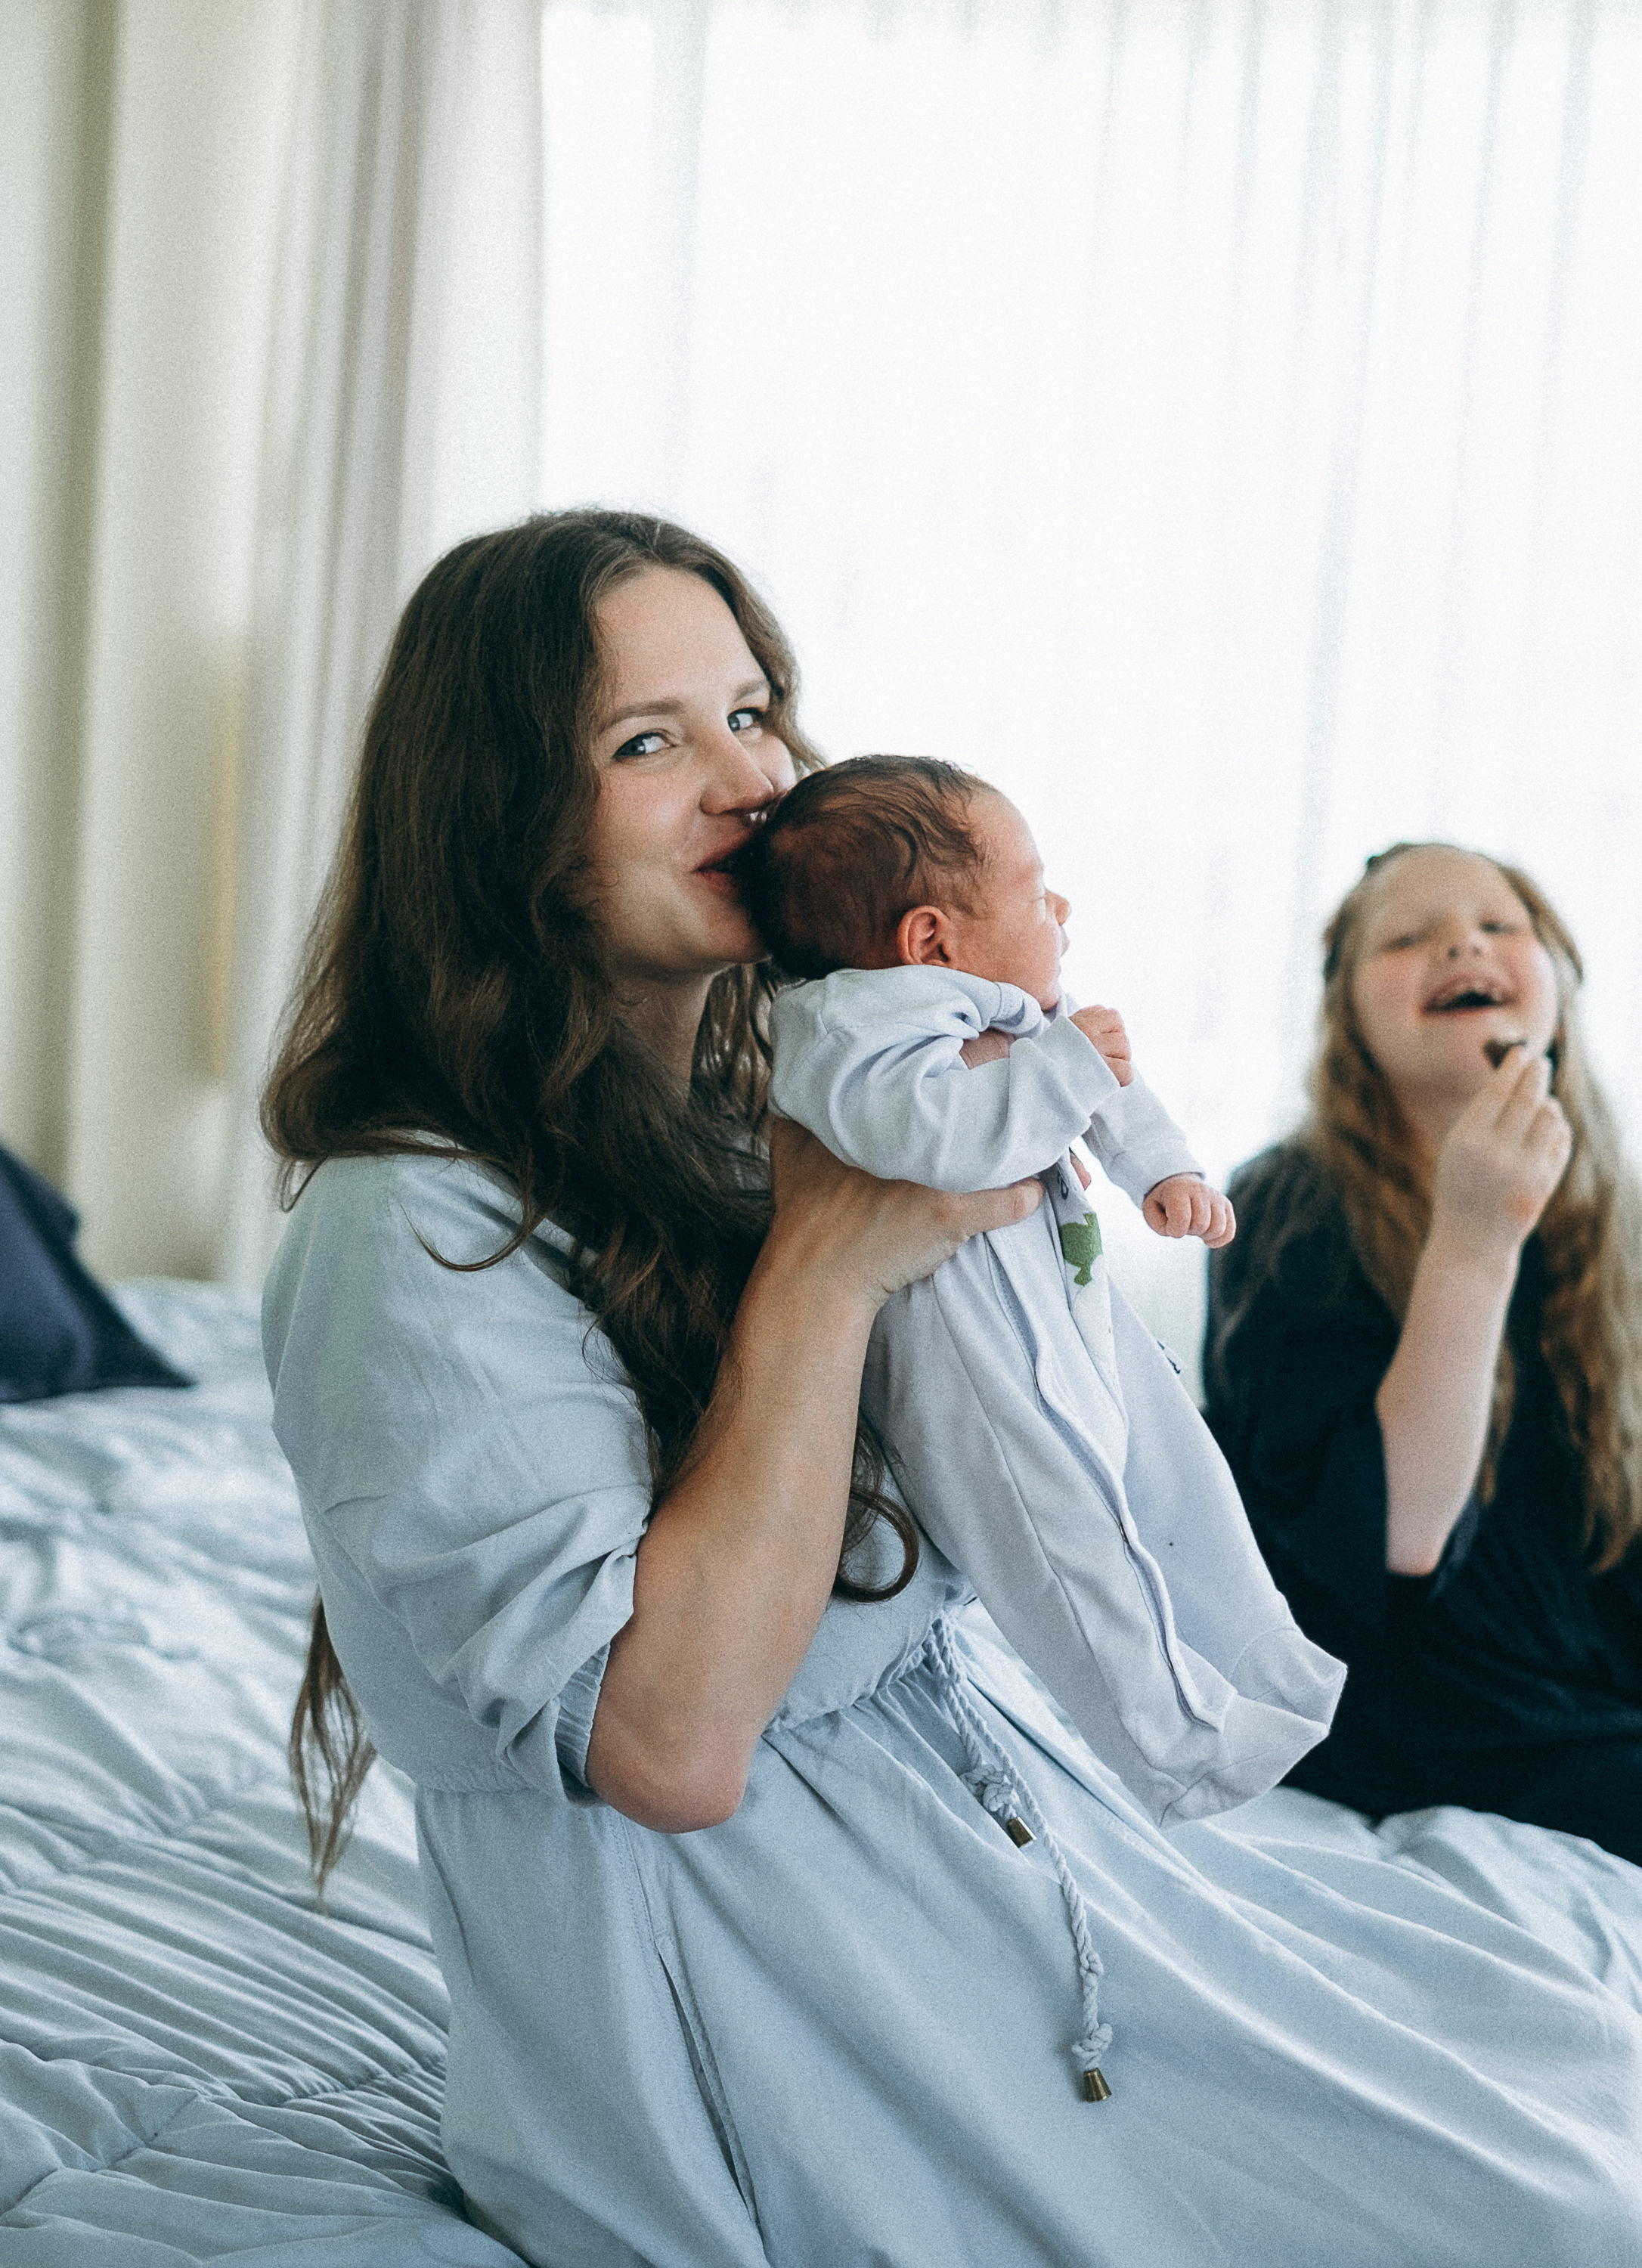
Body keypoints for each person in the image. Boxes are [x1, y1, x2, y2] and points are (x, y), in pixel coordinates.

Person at [262, 518, 1642, 2268]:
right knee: (1566, 2216)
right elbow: (672, 1746)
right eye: (646, 740)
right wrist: (831, 1266)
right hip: (782, 2009)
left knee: (1583, 2085)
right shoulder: (410, 1226)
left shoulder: (755, 1119)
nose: (750, 779)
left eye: (753, 710)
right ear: (499, 819)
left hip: (991, 1880)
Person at [739, 756, 1343, 1826]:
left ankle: (1264, 1661)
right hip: (971, 1360)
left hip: (1067, 1305)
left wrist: (1165, 1171)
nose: (1059, 910)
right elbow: (934, 1138)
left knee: (1174, 1472)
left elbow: (1112, 1092)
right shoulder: (844, 1028)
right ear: (931, 939)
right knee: (1065, 1540)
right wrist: (1065, 1065)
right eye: (1033, 890)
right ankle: (1174, 1748)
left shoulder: (1021, 1014)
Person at [1204, 841, 1642, 1864]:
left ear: (1558, 982)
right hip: (1411, 1694)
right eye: (1406, 938)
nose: (1460, 942)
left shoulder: (1616, 1217)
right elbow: (1392, 1543)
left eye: (1500, 927)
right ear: (1347, 1019)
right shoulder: (1285, 1204)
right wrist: (1474, 1241)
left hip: (1590, 1672)